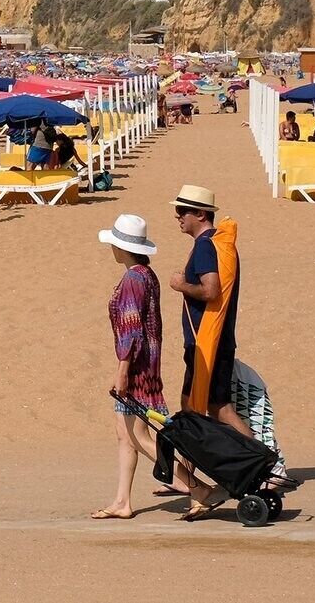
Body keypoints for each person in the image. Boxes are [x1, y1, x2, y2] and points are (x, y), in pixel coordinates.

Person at [165, 185, 249, 516]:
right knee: (204, 407)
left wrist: (181, 285)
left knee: (207, 410)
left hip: (207, 344)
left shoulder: (205, 247)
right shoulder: (216, 244)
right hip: (214, 341)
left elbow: (211, 290)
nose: (177, 218)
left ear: (200, 214)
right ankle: (191, 481)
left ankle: (261, 464)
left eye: (182, 212)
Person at [89, 213, 180, 520]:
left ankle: (195, 488)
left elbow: (131, 330)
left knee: (138, 436)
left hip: (138, 368)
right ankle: (122, 501)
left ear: (121, 248)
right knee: (125, 434)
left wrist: (122, 371)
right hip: (147, 364)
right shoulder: (146, 275)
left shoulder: (133, 280)